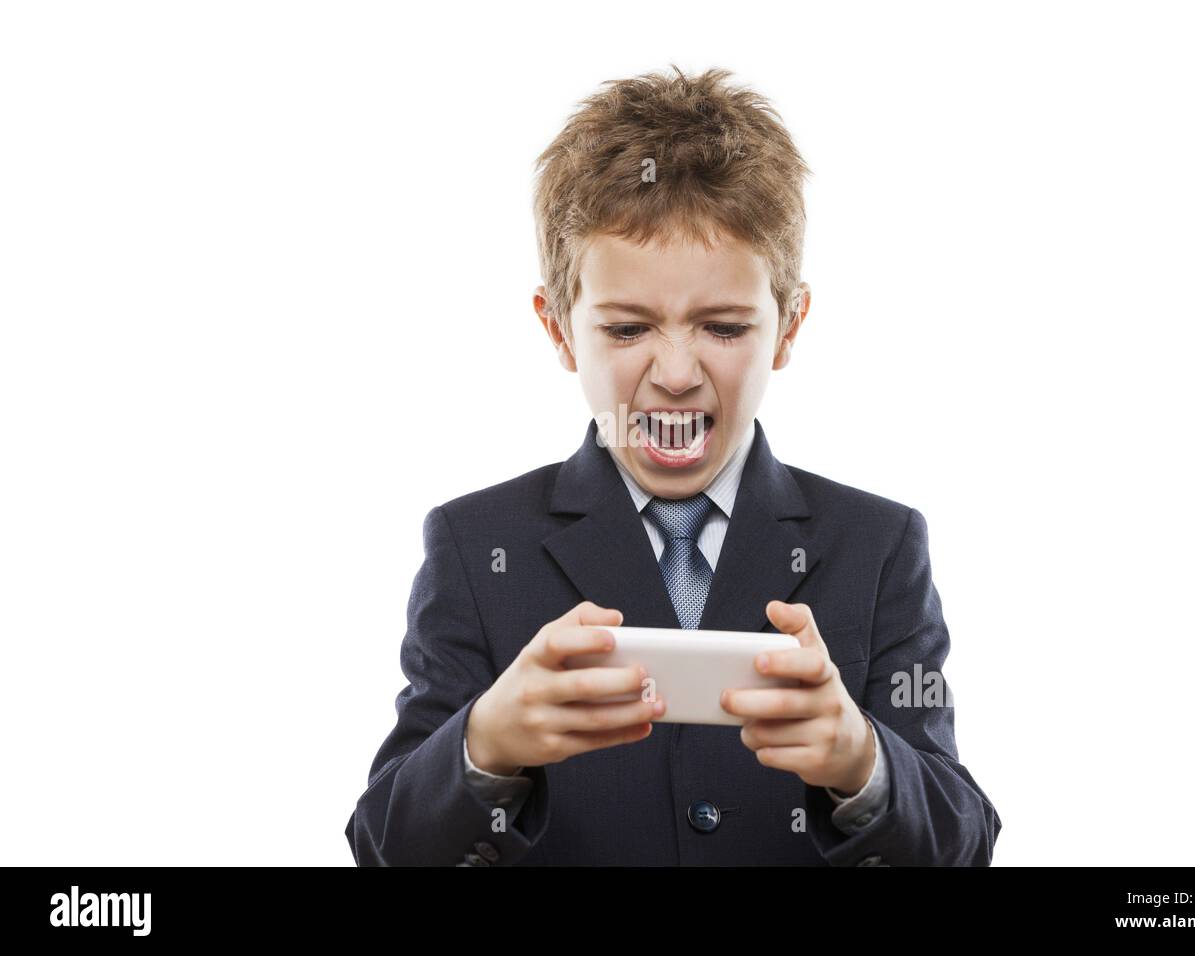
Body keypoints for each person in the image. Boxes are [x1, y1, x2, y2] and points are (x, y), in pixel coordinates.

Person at [345, 65, 1001, 866]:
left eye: (724, 328)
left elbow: (965, 842)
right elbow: (382, 845)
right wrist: (485, 745)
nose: (679, 372)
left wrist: (862, 762)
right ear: (558, 331)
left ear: (789, 328)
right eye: (627, 330)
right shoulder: (474, 544)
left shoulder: (880, 546)